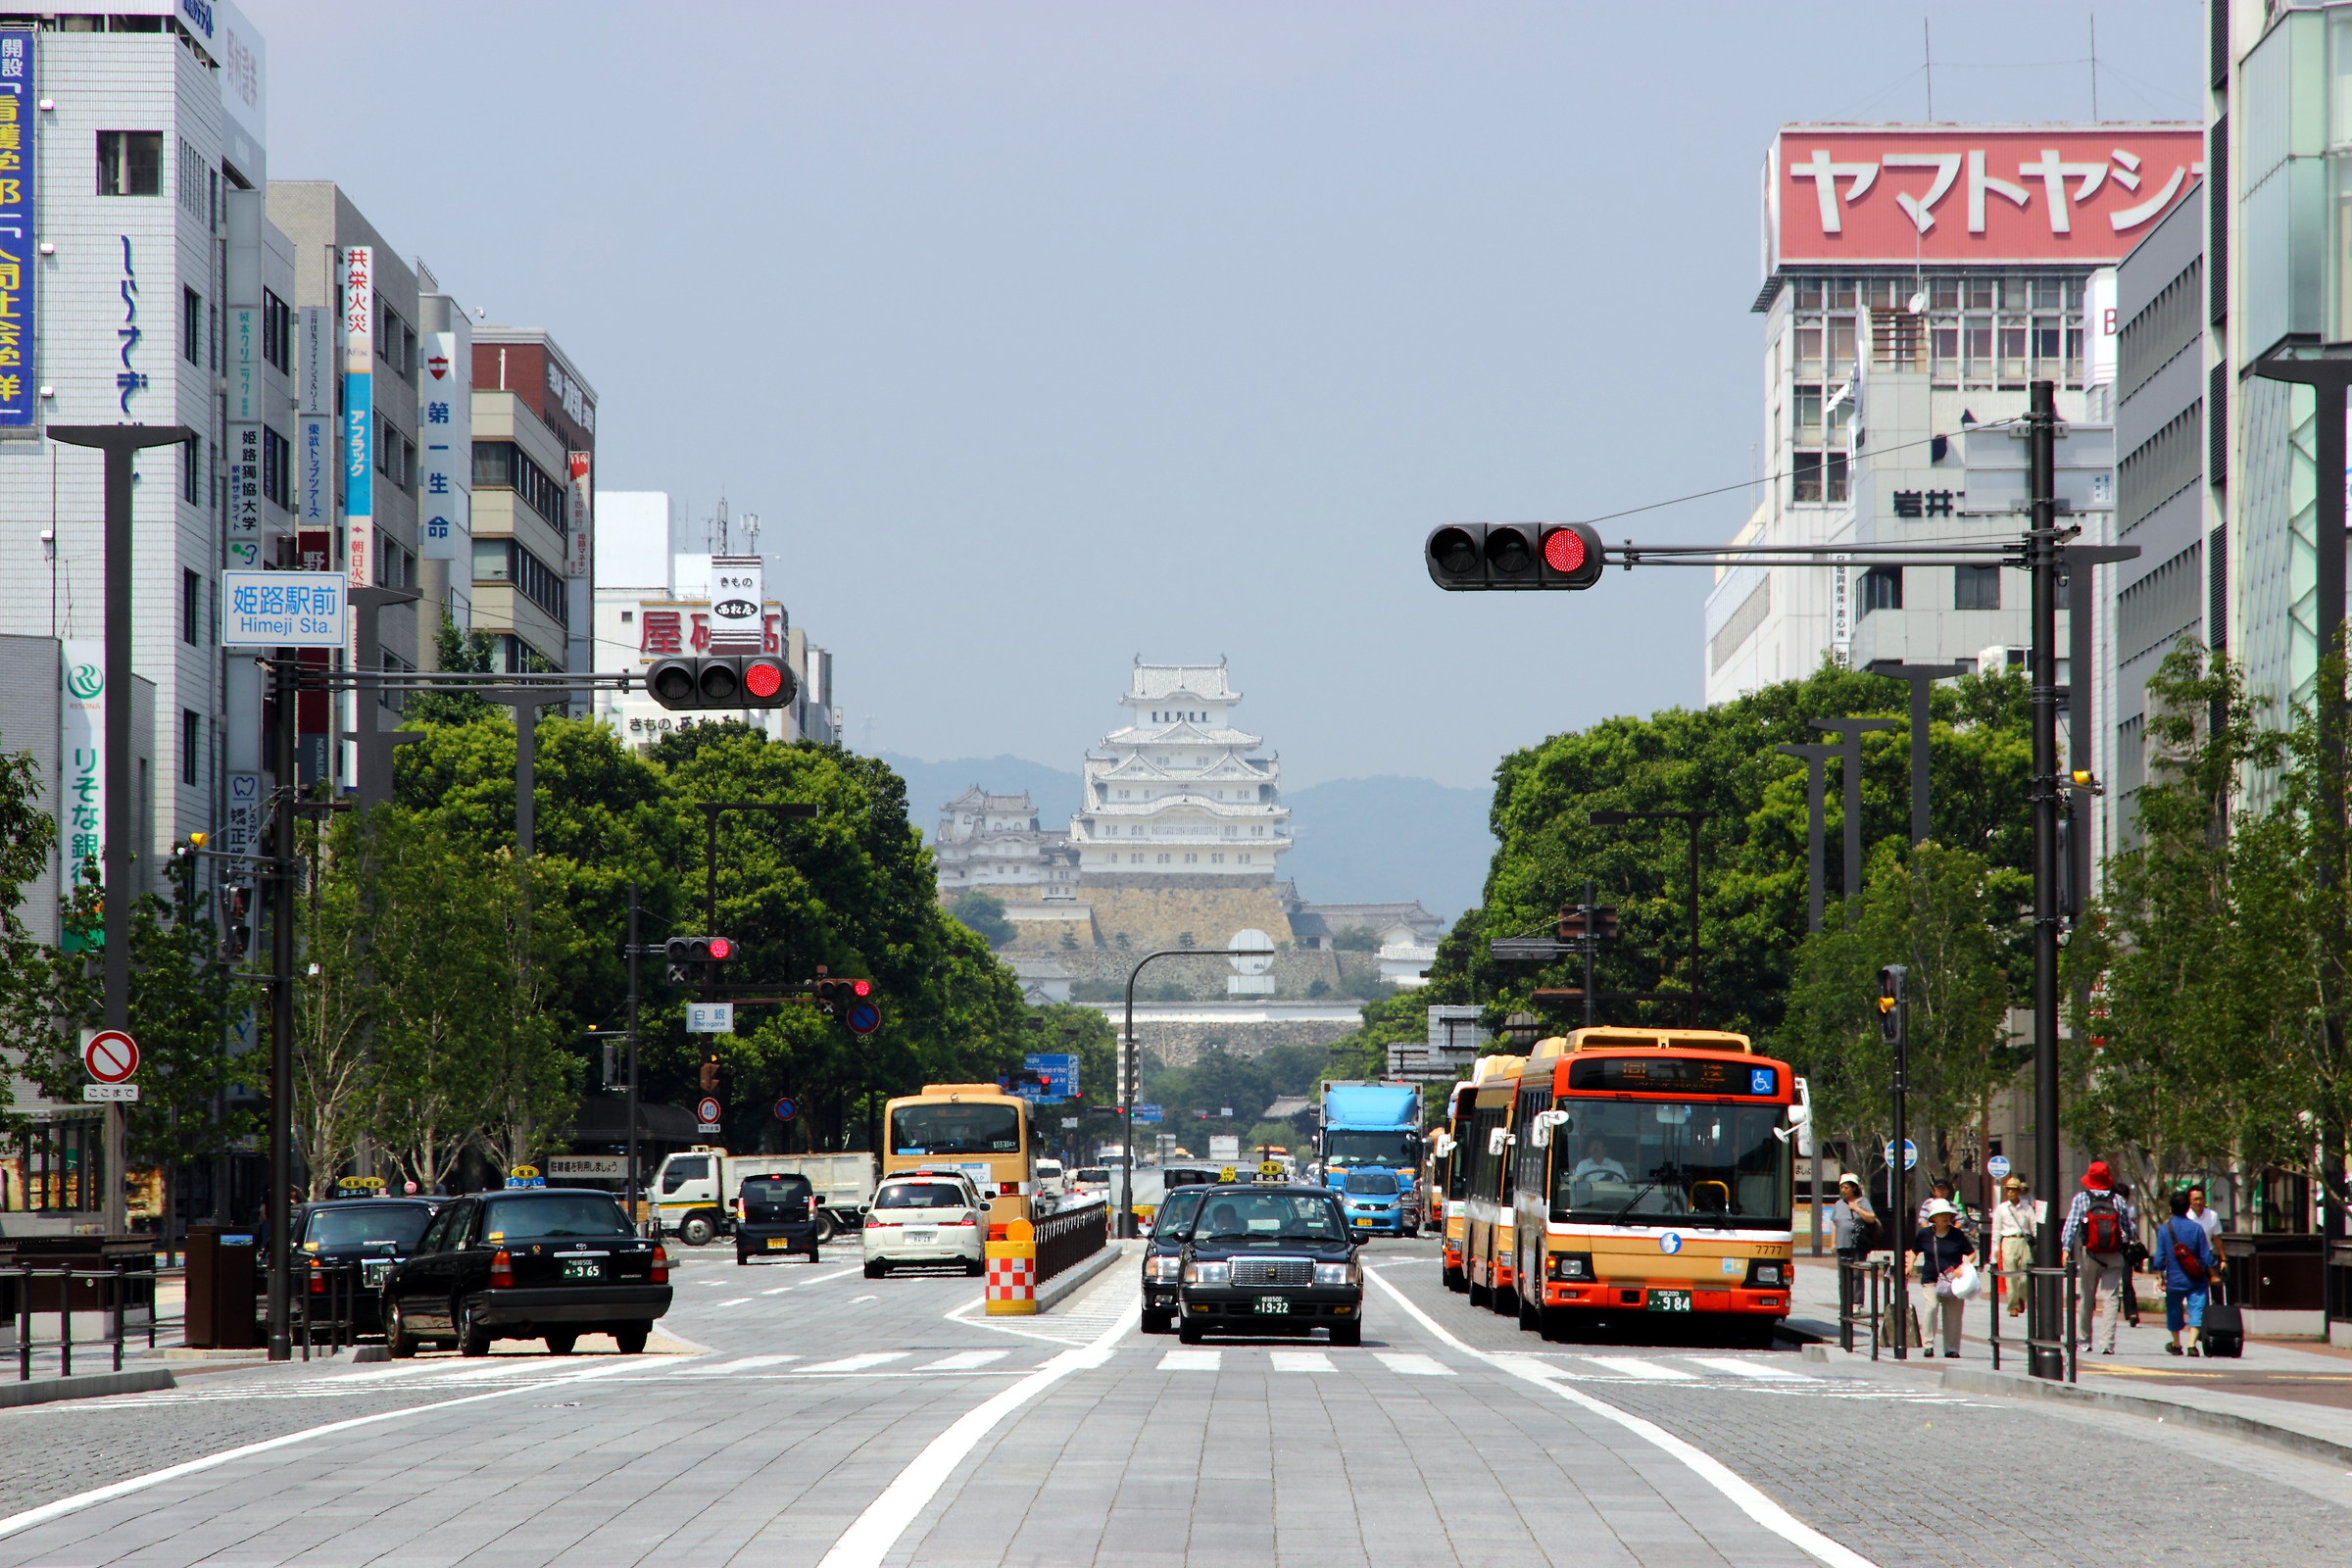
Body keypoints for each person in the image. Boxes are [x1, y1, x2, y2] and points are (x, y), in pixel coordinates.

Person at [2060, 1159, 2135, 1354]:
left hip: (2090, 1255)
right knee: (2111, 1298)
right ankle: (2107, 1343)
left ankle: (2084, 1340)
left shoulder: (2081, 1199)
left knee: (2087, 1297)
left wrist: (2066, 1248)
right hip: (2113, 1254)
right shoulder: (2117, 1200)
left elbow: (2071, 1226)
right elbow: (2129, 1229)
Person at [2156, 1188, 2222, 1356]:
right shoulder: (2196, 1229)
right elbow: (2205, 1255)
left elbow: (2159, 1258)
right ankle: (2192, 1344)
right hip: (2196, 1277)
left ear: (2171, 1207)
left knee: (2173, 1309)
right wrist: (2214, 1272)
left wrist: (2160, 1275)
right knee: (2197, 1309)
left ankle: (2176, 1343)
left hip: (2174, 1278)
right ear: (2187, 1207)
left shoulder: (2164, 1229)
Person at [1907, 1198, 1977, 1357]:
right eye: (1941, 1214)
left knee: (1953, 1316)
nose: (1945, 1217)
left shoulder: (1957, 1235)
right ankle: (1928, 1344)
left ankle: (1952, 1348)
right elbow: (1914, 1250)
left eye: (1947, 1214)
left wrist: (1962, 1267)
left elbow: (1971, 1253)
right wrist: (1910, 1265)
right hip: (1931, 1278)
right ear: (1933, 1218)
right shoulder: (1924, 1234)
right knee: (1931, 1308)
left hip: (1954, 1281)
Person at [1829, 1173, 1879, 1322]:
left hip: (1857, 1244)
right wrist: (1832, 1242)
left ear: (1854, 1188)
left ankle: (1856, 1303)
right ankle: (1845, 1302)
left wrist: (1856, 1208)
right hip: (1842, 1244)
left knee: (1857, 1274)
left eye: (1846, 1187)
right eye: (1841, 1187)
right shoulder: (1838, 1204)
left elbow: (1871, 1218)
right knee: (1843, 1276)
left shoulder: (1863, 1202)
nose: (1843, 1190)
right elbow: (1834, 1223)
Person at [1991, 1175, 2035, 1317]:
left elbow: (2034, 1226)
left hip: (2023, 1241)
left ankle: (2021, 1298)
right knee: (2010, 1275)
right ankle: (2013, 1306)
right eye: (2008, 1189)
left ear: (2019, 1191)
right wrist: (1995, 1249)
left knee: (2025, 1276)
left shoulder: (2027, 1208)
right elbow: (1996, 1230)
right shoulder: (2001, 1208)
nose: (2010, 1192)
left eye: (2014, 1189)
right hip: (2008, 1241)